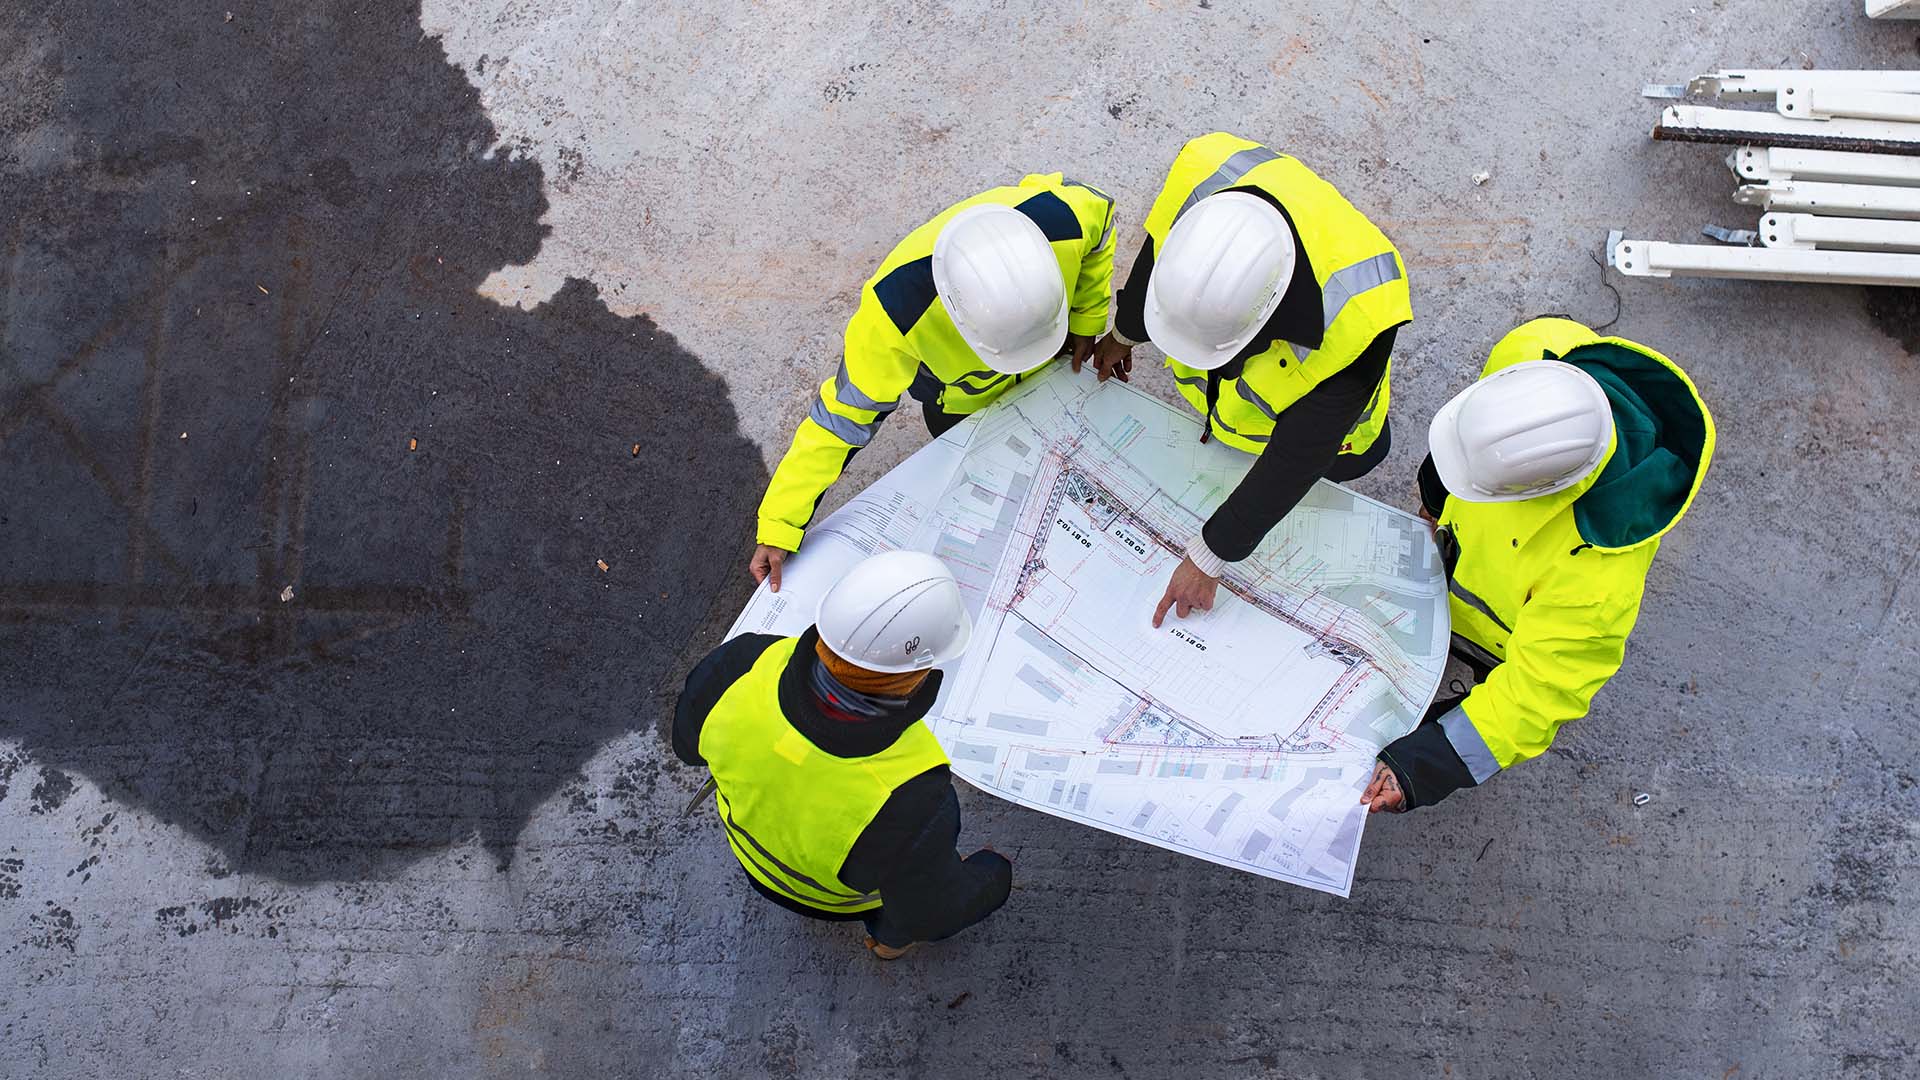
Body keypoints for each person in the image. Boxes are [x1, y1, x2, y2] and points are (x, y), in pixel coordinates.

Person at [1361, 317, 1715, 813]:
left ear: (1544, 491)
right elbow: (1465, 441)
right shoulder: (1532, 350)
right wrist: (1435, 499)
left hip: (1496, 639)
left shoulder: (1595, 583)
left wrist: (1425, 764)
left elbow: (1538, 693)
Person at [1088, 132, 1412, 627]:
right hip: (1236, 404)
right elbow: (1158, 264)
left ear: (1271, 320)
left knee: (1355, 457)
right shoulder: (1203, 175)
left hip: (1338, 433)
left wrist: (1209, 556)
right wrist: (1124, 334)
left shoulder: (1361, 308)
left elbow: (1300, 453)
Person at [751, 175, 1120, 590]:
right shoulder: (893, 316)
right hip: (959, 407)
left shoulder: (1063, 221)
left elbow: (1101, 221)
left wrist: (1087, 321)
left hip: (1051, 362)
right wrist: (779, 523)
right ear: (957, 317)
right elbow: (839, 421)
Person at [673, 550, 1011, 958]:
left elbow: (687, 747)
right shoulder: (914, 795)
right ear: (920, 671)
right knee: (900, 911)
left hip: (749, 856)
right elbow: (928, 914)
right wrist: (992, 877)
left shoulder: (740, 665)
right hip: (836, 901)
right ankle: (885, 944)